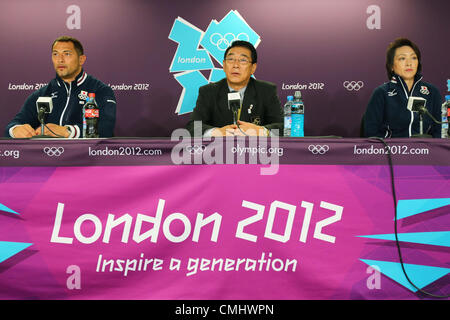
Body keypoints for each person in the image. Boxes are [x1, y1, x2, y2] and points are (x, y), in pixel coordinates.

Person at [5, 36, 116, 138]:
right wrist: (15, 130)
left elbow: (106, 128)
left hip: (86, 157)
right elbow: (13, 124)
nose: (60, 60)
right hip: (47, 157)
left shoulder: (101, 90)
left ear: (81, 59)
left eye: (67, 54)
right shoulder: (41, 94)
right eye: (55, 54)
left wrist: (68, 131)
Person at [186, 40, 283, 137]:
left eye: (243, 60)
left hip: (255, 149)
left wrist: (262, 131)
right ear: (224, 65)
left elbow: (284, 127)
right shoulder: (208, 92)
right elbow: (192, 127)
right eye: (231, 59)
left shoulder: (266, 91)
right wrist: (217, 132)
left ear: (253, 68)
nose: (235, 65)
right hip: (218, 150)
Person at [363, 38, 441, 138]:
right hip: (391, 151)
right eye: (402, 58)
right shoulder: (382, 93)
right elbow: (371, 133)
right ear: (391, 66)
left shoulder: (432, 92)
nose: (409, 63)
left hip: (426, 151)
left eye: (413, 58)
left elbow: (439, 132)